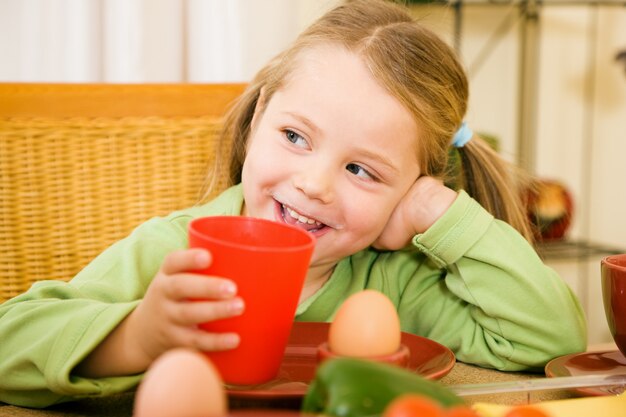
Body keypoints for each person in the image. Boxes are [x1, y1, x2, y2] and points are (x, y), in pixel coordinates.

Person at [0, 0, 586, 408]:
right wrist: (139, 336)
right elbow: (11, 342)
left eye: (361, 170)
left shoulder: (396, 280)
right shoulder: (179, 252)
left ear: (410, 188)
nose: (314, 185)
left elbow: (551, 340)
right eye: (295, 137)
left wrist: (442, 215)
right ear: (258, 119)